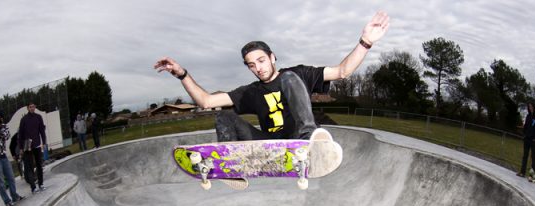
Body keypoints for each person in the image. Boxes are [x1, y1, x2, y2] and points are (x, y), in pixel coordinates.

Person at [154, 11, 390, 141]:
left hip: (299, 137)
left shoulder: (300, 74)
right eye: (251, 65)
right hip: (268, 144)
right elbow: (205, 102)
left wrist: (366, 42)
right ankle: (230, 164)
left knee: (288, 78)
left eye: (261, 60)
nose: (258, 68)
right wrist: (182, 75)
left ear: (272, 57)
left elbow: (342, 71)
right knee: (223, 118)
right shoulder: (250, 92)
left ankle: (309, 139)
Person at [18, 103, 47, 193]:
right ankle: (33, 187)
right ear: (27, 108)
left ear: (35, 107)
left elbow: (42, 131)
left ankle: (41, 184)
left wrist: (44, 142)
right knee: (29, 167)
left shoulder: (38, 117)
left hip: (37, 144)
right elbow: (20, 134)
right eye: (30, 107)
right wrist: (21, 147)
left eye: (33, 107)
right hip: (28, 145)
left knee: (39, 165)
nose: (32, 108)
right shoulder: (24, 119)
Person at [518, 102, 535, 178]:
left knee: (533, 157)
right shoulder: (528, 116)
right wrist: (524, 134)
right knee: (525, 156)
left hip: (533, 140)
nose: (530, 108)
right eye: (529, 107)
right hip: (527, 139)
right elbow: (525, 126)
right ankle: (522, 172)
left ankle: (532, 176)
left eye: (531, 106)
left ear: (534, 107)